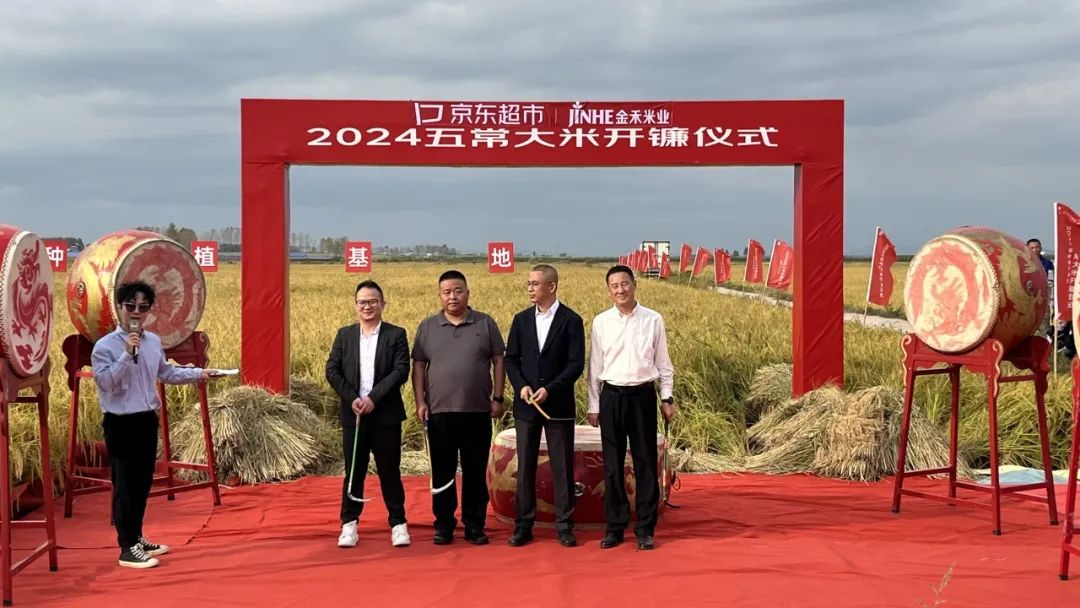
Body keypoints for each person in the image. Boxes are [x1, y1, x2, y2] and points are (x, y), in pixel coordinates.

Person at [91, 280, 224, 569]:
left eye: (143, 307)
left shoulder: (152, 342)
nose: (136, 312)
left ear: (150, 310)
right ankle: (126, 548)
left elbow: (166, 373)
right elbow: (105, 383)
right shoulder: (105, 346)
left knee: (142, 482)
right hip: (120, 422)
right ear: (119, 307)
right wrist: (126, 354)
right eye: (130, 306)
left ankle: (137, 536)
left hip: (146, 419)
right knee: (125, 484)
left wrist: (201, 374)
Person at [412, 270, 505, 545]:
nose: (452, 296)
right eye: (447, 292)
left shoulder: (485, 323)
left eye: (458, 291)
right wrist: (420, 401)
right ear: (440, 295)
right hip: (439, 412)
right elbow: (419, 366)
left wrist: (498, 398)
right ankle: (443, 524)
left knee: (475, 471)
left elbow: (499, 360)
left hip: (477, 411)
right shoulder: (428, 327)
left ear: (467, 293)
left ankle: (474, 524)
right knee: (443, 470)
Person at [586, 265, 675, 551]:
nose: (620, 290)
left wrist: (666, 397)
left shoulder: (653, 319)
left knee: (645, 463)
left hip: (642, 397)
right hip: (611, 397)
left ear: (634, 284)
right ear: (609, 290)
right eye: (614, 286)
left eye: (625, 284)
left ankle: (645, 528)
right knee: (612, 466)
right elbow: (594, 367)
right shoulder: (601, 322)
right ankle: (615, 527)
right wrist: (594, 405)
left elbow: (663, 363)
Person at [504, 264, 585, 548]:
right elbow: (511, 359)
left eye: (535, 284)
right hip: (527, 406)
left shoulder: (571, 320)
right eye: (528, 284)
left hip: (557, 406)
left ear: (551, 286)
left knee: (561, 466)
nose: (530, 288)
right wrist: (521, 386)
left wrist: (550, 389)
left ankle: (564, 525)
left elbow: (576, 364)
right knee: (525, 466)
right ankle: (523, 525)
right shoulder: (521, 320)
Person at [325, 280, 411, 549]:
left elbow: (401, 371)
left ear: (382, 304)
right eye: (362, 302)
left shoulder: (396, 334)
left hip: (385, 415)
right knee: (354, 471)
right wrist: (352, 399)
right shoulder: (345, 335)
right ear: (355, 305)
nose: (367, 306)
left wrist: (374, 398)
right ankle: (349, 524)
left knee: (390, 471)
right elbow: (332, 370)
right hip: (355, 416)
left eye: (373, 301)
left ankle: (398, 523)